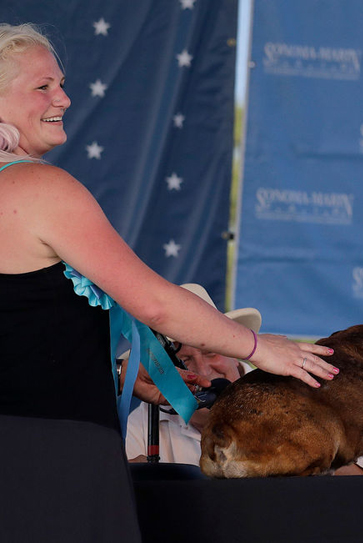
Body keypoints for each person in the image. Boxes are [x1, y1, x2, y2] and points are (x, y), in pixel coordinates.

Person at [0, 23, 335, 540]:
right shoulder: (36, 186)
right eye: (42, 86)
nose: (63, 97)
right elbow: (155, 304)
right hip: (48, 457)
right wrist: (258, 348)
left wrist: (124, 376)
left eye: (61, 83)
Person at [126, 283, 363, 474]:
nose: (202, 370)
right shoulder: (146, 421)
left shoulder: (298, 394)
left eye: (210, 352)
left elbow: (362, 487)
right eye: (184, 361)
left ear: (236, 354)